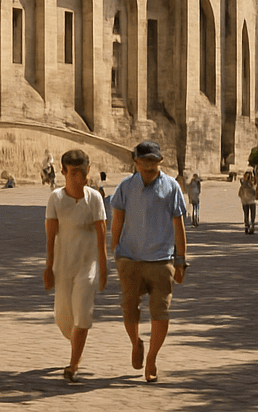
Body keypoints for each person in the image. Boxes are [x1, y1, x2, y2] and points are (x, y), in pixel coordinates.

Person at [110, 140, 186, 383]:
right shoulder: (125, 186)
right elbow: (117, 221)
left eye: (154, 160)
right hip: (130, 259)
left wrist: (181, 259)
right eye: (145, 161)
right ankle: (136, 343)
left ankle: (152, 358)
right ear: (136, 162)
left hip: (161, 261)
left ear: (160, 161)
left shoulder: (171, 187)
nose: (149, 165)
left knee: (160, 312)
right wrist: (116, 253)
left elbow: (179, 225)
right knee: (129, 309)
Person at [43, 149, 108, 384]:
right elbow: (50, 237)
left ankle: (73, 364)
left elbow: (102, 237)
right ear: (63, 173)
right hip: (62, 267)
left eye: (81, 172)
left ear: (88, 171)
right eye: (72, 173)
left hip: (86, 267)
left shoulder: (95, 199)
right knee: (63, 319)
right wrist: (48, 267)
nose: (77, 178)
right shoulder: (56, 199)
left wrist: (103, 267)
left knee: (83, 314)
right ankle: (75, 343)